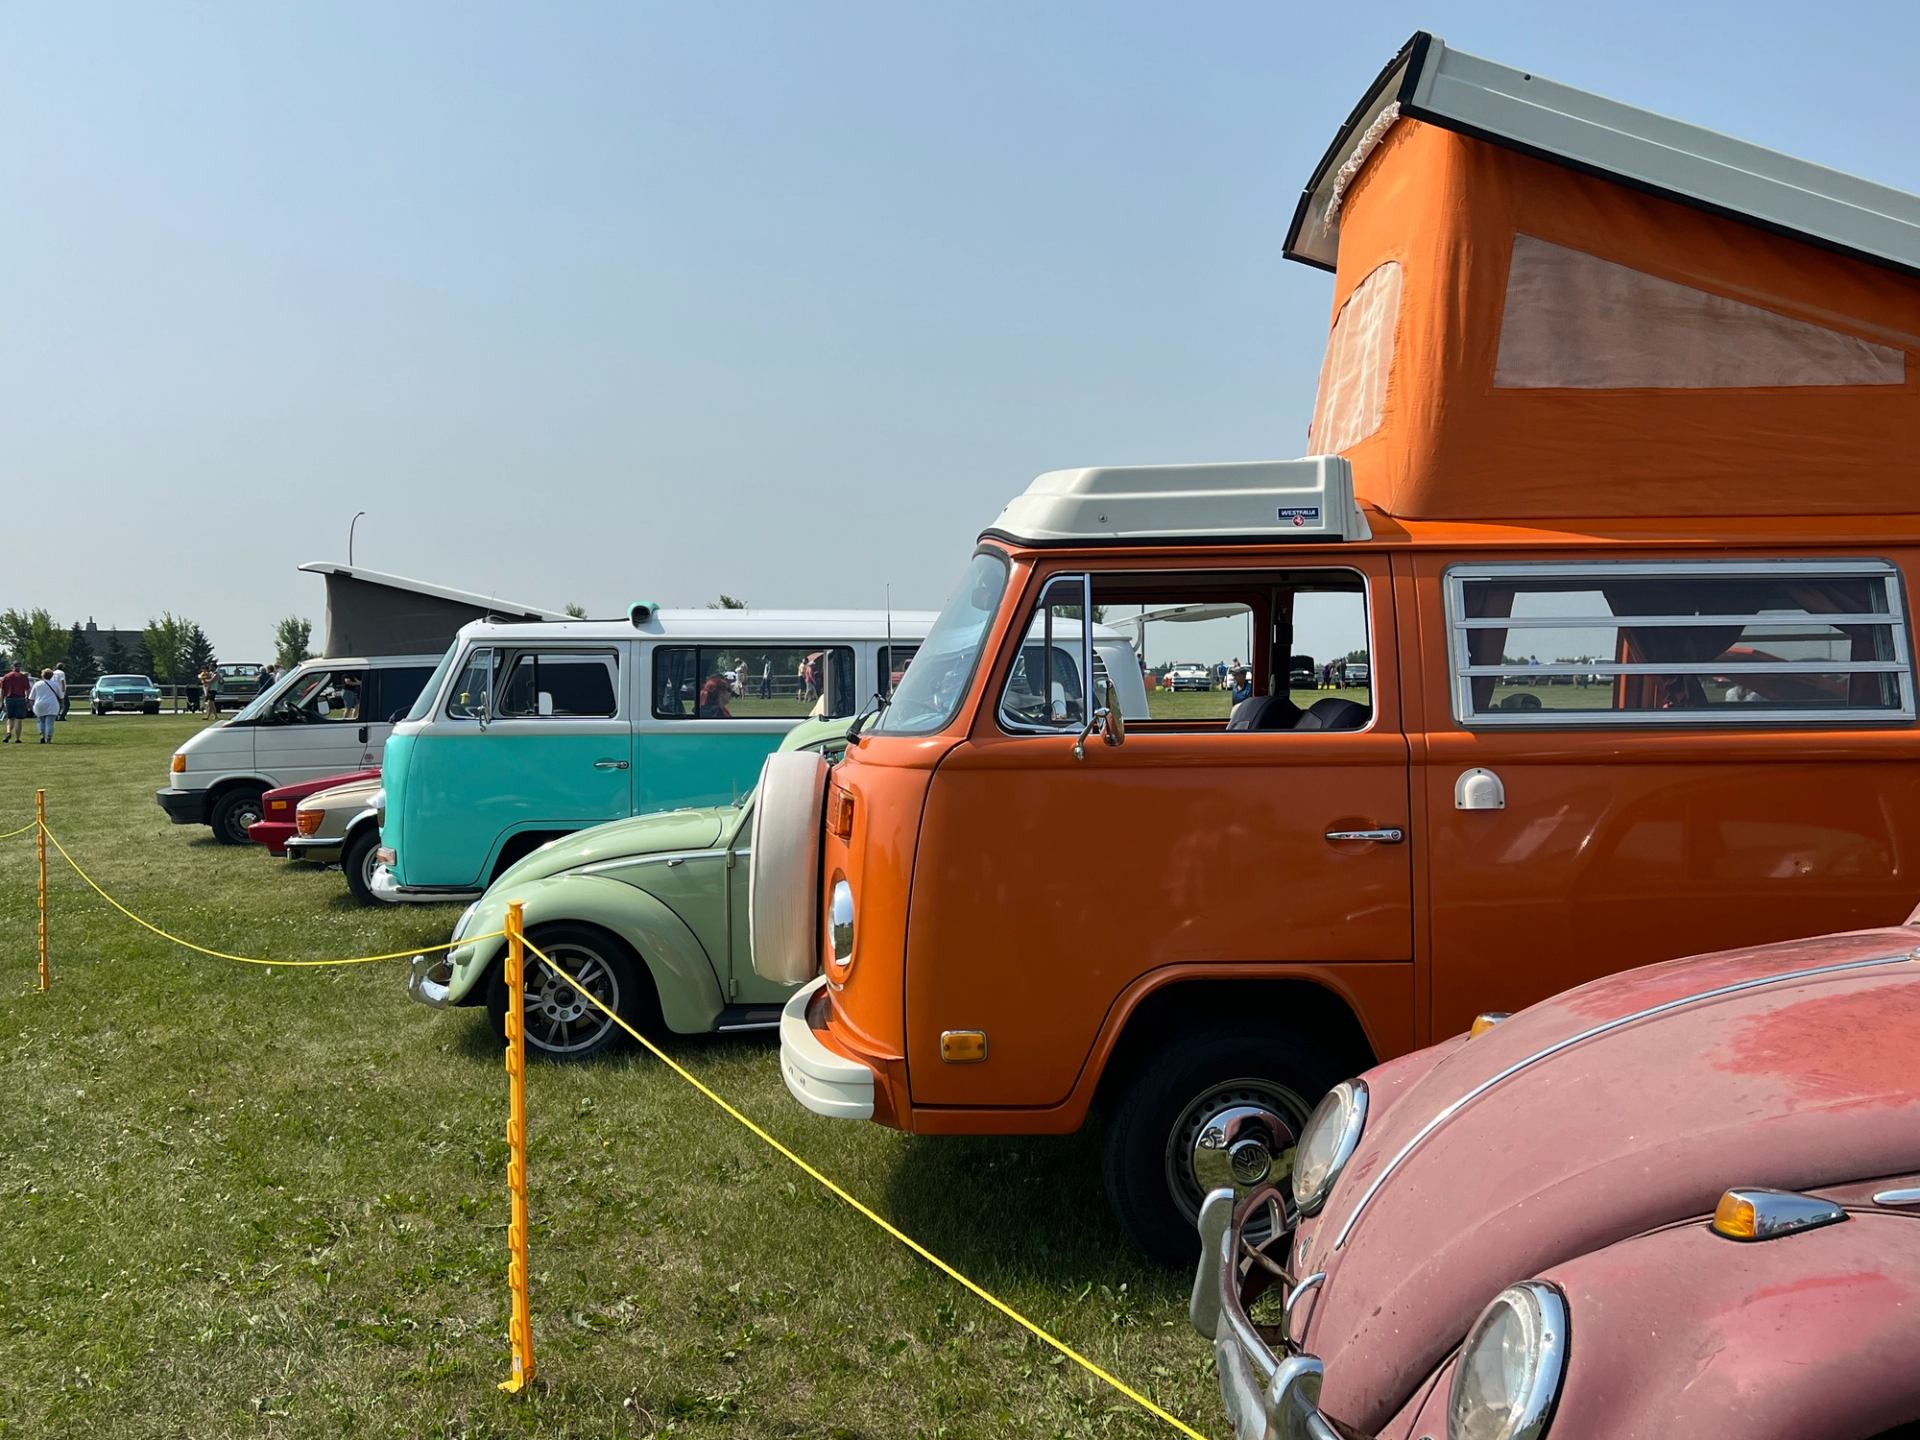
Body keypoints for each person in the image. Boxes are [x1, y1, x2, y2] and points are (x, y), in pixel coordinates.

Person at [0, 662, 29, 743]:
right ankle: (17, 738)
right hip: (20, 698)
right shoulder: (23, 677)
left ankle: (8, 732)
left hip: (9, 699)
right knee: (18, 720)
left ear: (12, 666)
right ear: (20, 667)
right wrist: (28, 699)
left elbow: (2, 690)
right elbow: (27, 689)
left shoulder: (6, 677)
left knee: (10, 718)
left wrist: (1, 701)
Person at [30, 668, 60, 743]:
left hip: (39, 704)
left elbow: (31, 697)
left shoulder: (37, 684)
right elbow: (61, 695)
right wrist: (62, 704)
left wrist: (30, 705)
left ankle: (42, 735)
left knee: (41, 721)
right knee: (50, 722)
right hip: (52, 704)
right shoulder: (55, 684)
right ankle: (49, 737)